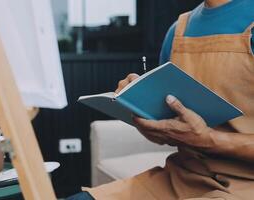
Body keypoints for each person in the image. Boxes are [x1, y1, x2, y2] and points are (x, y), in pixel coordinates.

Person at [67, 0, 254, 199]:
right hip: (180, 179)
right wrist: (141, 110)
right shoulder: (179, 30)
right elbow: (167, 133)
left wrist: (208, 140)